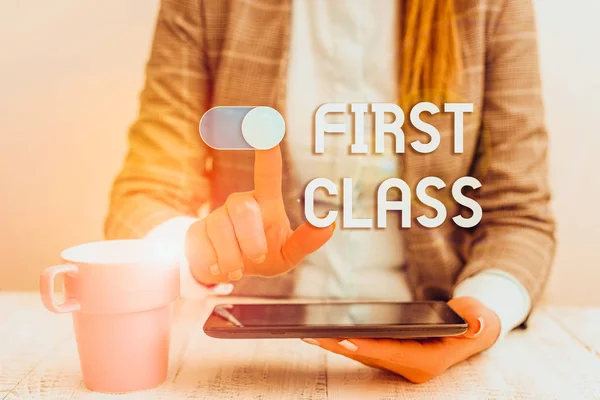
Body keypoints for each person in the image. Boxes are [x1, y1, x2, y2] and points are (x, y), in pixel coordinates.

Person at [105, 0, 555, 383]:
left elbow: (519, 217)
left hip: (432, 326)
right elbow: (143, 198)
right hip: (243, 344)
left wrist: (480, 315)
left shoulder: (489, 6)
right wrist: (198, 251)